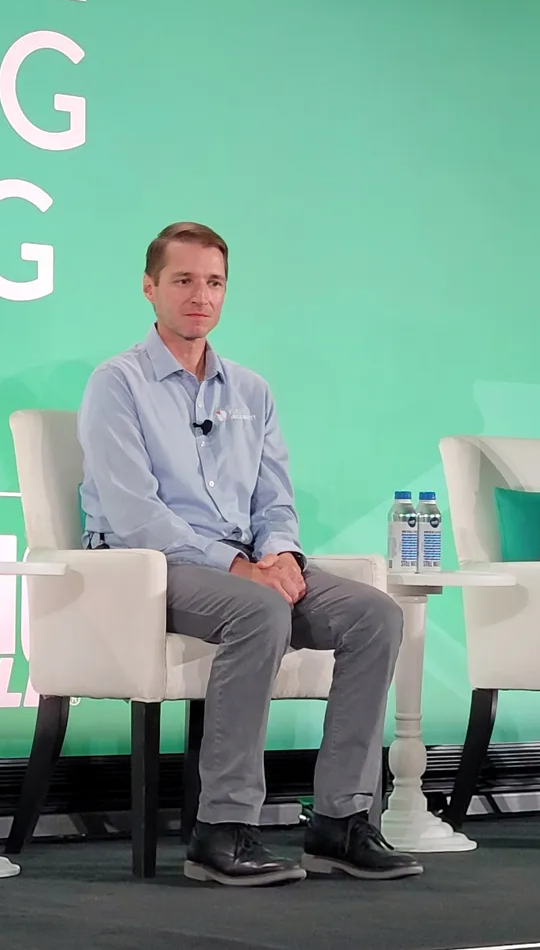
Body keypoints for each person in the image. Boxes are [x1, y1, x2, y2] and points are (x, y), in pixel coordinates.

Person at [77, 221, 419, 887]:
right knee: (260, 609)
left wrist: (282, 553)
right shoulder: (116, 383)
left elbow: (275, 500)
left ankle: (339, 821)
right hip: (146, 570)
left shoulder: (252, 391)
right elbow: (134, 514)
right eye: (183, 281)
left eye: (213, 282)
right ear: (150, 288)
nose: (199, 296)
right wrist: (242, 569)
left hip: (247, 562)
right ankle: (222, 829)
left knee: (375, 616)